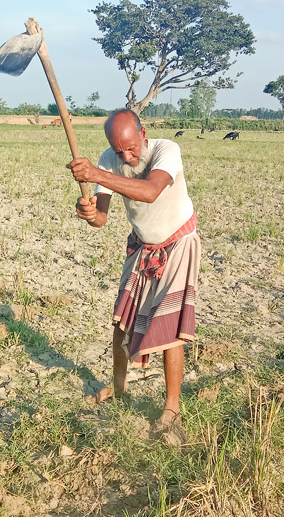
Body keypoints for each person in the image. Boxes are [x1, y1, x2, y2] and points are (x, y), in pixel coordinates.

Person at [67, 109, 200, 438]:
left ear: (143, 133)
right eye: (118, 151)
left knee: (169, 327)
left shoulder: (166, 150)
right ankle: (120, 391)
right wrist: (87, 211)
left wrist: (98, 174)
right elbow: (100, 219)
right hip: (142, 245)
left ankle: (171, 410)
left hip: (178, 242)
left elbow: (150, 191)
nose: (126, 156)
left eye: (131, 147)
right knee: (121, 322)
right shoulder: (108, 161)